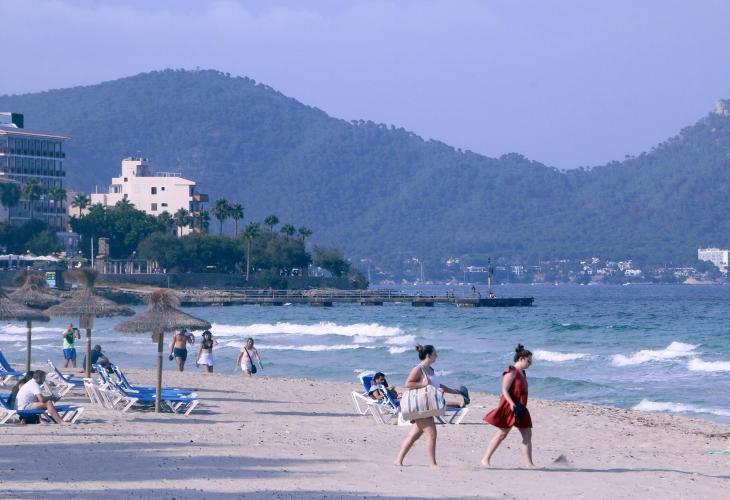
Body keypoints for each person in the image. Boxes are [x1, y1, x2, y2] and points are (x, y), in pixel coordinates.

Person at [394, 344, 465, 468]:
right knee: (432, 435)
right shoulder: (418, 369)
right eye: (435, 354)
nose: (436, 356)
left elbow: (438, 386)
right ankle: (433, 464)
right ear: (428, 355)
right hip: (421, 407)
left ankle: (398, 460)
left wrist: (455, 392)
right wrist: (423, 385)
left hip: (428, 407)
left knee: (414, 436)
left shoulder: (430, 369)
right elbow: (408, 384)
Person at [481, 344, 535, 468]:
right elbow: (504, 390)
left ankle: (530, 464)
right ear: (521, 358)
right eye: (528, 361)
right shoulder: (511, 371)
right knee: (502, 434)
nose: (530, 364)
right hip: (510, 407)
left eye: (531, 362)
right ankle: (485, 459)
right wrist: (511, 404)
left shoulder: (522, 373)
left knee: (527, 434)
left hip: (521, 408)